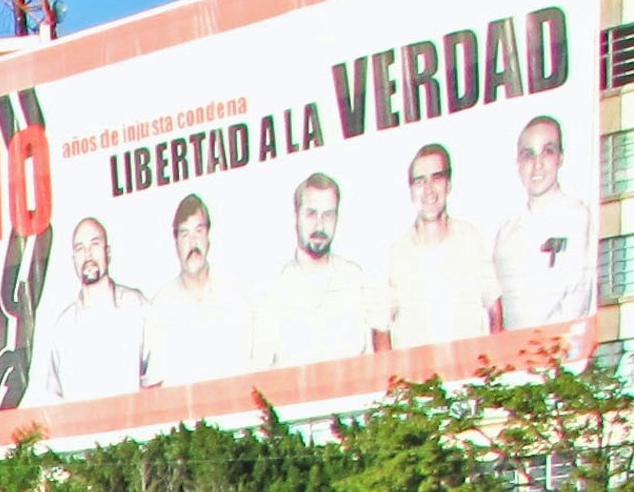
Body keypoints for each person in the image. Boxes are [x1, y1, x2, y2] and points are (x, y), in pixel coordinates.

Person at [250, 173, 390, 369]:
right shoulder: (273, 293)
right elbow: (259, 377)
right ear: (296, 217)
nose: (319, 225)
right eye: (311, 213)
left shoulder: (356, 279)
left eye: (328, 215)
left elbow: (384, 362)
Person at [385, 142, 498, 348]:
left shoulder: (470, 238)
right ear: (411, 191)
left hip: (469, 372)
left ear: (449, 184)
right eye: (420, 182)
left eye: (436, 178)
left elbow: (494, 303)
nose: (429, 191)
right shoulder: (396, 253)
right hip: (418, 377)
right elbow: (380, 325)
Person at [493, 113, 598, 328]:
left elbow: (578, 295)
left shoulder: (576, 215)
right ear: (518, 163)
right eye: (528, 155)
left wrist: (550, 355)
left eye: (548, 152)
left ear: (560, 158)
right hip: (511, 357)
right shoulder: (506, 233)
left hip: (556, 353)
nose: (537, 165)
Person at [36, 218, 152, 401]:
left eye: (95, 244)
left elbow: (159, 380)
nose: (88, 255)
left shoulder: (137, 307)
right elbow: (55, 399)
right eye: (80, 248)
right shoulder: (63, 327)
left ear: (108, 252)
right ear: (73, 260)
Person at [145, 193, 245, 386]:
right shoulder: (161, 307)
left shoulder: (234, 297)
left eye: (198, 231)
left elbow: (248, 374)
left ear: (208, 237)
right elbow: (156, 385)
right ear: (176, 244)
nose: (193, 243)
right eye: (185, 234)